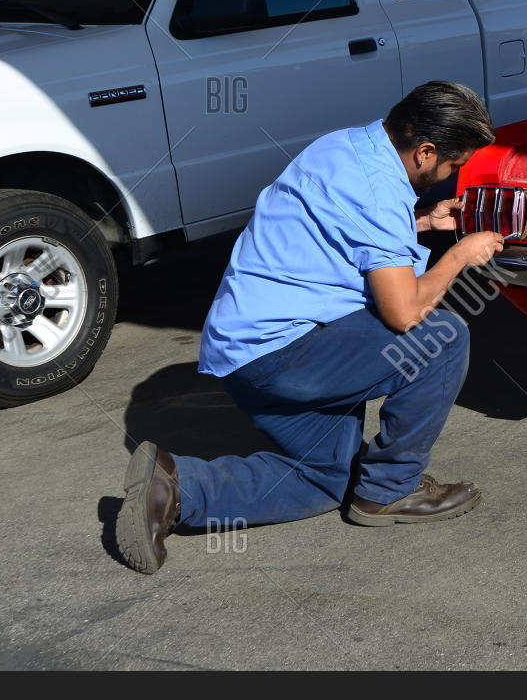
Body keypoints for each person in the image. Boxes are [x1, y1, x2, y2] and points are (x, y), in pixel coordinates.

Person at [115, 81, 504, 574]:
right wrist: (459, 256)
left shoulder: (345, 145)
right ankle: (392, 491)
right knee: (443, 339)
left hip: (243, 353)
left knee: (326, 479)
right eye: (454, 164)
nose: (455, 174)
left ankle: (175, 488)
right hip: (287, 352)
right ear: (425, 151)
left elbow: (347, 231)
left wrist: (422, 222)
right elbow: (403, 313)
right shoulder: (380, 191)